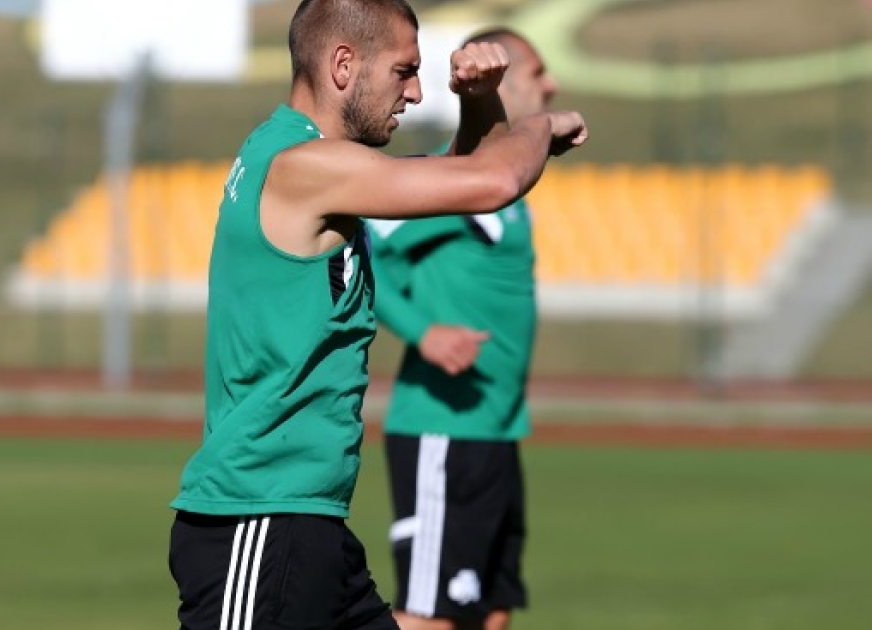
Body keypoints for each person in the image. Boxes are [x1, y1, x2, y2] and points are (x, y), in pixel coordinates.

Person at [167, 1, 586, 628]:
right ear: (343, 65)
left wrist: (479, 103)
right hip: (259, 519)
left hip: (308, 522)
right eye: (403, 71)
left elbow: (461, 174)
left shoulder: (309, 159)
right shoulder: (303, 167)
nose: (415, 93)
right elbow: (494, 182)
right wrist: (540, 125)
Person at [366, 28, 559, 630]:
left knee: (491, 612)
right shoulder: (454, 180)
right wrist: (422, 332)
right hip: (443, 431)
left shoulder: (508, 186)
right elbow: (359, 249)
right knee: (430, 617)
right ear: (502, 83)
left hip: (497, 428)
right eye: (537, 73)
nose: (551, 84)